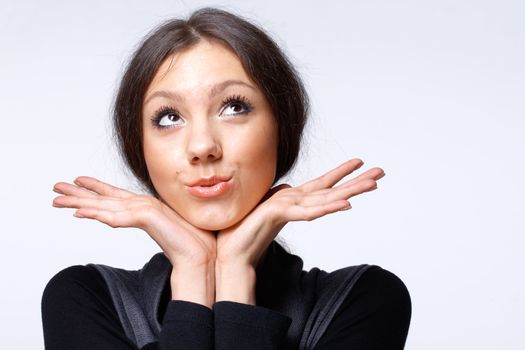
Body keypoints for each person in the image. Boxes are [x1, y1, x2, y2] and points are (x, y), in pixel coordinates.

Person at [42, 7, 411, 350]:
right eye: (169, 117)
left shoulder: (366, 299)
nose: (202, 146)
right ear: (139, 146)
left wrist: (235, 272)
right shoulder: (83, 298)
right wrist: (193, 269)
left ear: (282, 127)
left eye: (234, 107)